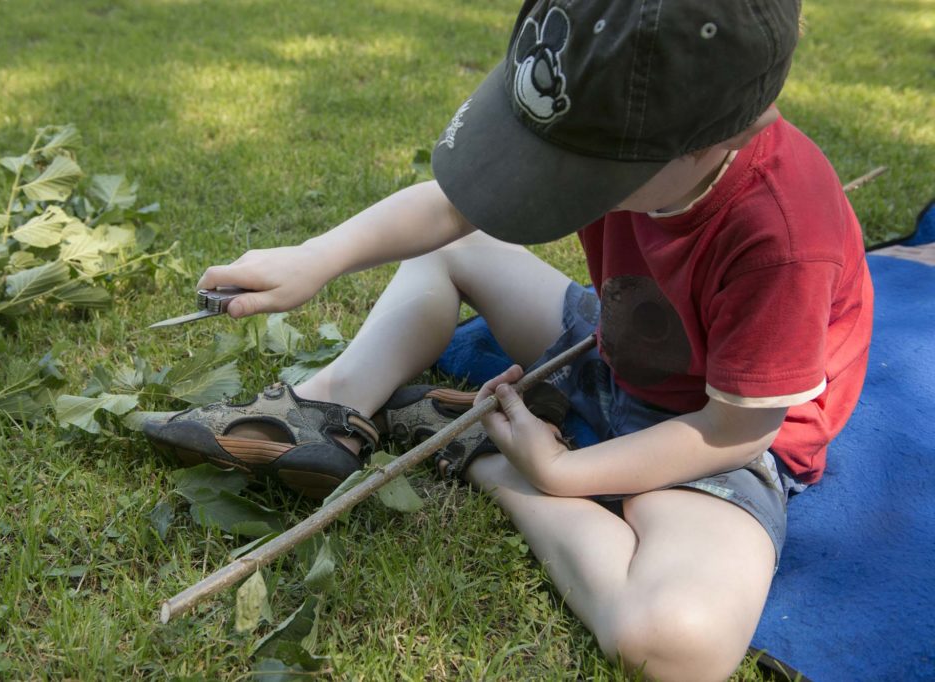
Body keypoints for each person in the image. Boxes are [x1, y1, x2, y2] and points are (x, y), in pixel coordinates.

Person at [144, 0, 874, 679]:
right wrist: (316, 258)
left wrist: (559, 476)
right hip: (618, 338)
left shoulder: (782, 234)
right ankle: (327, 408)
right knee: (450, 252)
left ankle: (484, 457)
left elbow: (736, 430)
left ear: (718, 139)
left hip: (712, 430)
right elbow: (452, 213)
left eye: (581, 170)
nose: (546, 181)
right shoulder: (647, 138)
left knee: (676, 640)